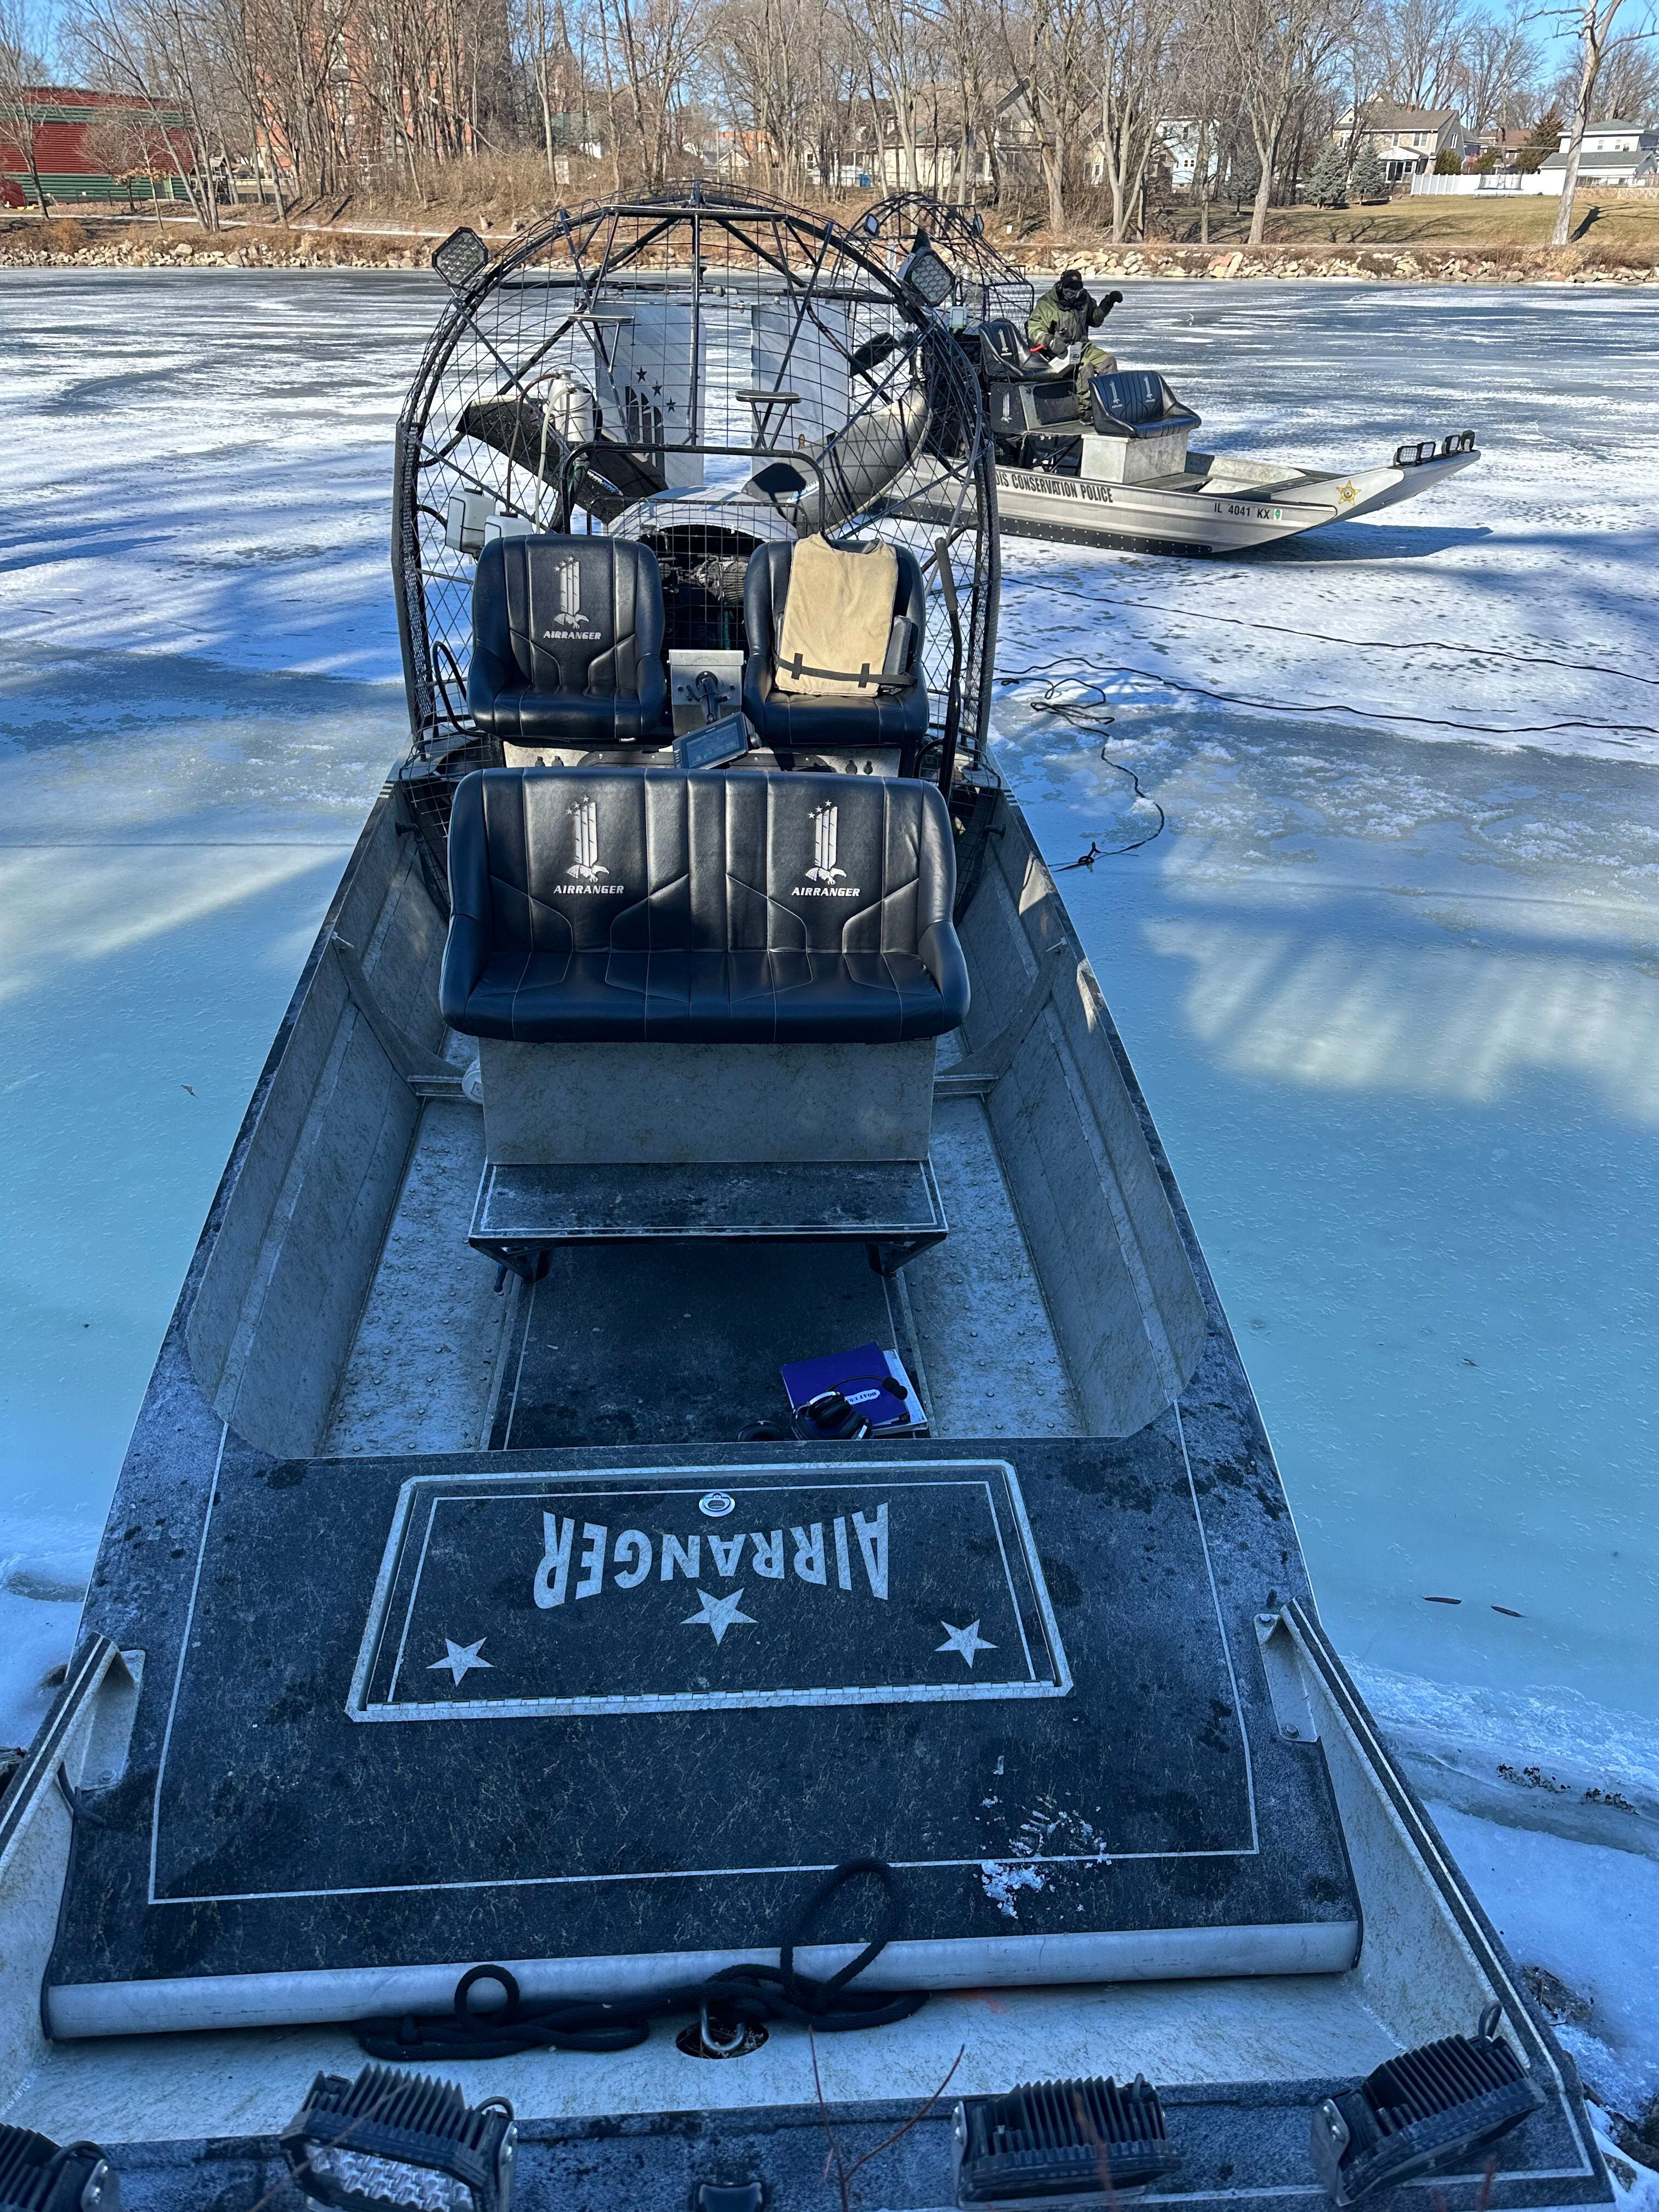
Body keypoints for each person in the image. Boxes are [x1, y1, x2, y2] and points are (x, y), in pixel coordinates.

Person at [1026, 270, 1125, 401]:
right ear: (1061, 288)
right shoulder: (1047, 304)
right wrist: (1050, 341)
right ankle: (1087, 410)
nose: (1072, 297)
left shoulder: (1084, 299)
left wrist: (1108, 304)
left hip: (1083, 347)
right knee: (1085, 367)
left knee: (1108, 361)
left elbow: (1095, 321)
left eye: (1076, 294)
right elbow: (1034, 329)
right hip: (1060, 353)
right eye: (1069, 293)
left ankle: (1111, 401)